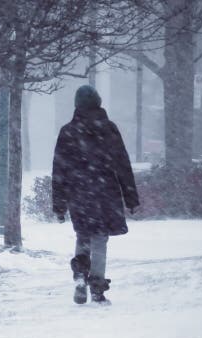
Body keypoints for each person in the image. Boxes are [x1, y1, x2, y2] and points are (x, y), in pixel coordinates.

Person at [52, 85, 140, 305]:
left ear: (77, 105)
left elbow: (59, 169)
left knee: (83, 235)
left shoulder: (68, 131)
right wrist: (131, 199)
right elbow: (122, 163)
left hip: (79, 193)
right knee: (100, 239)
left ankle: (80, 275)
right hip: (105, 192)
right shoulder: (109, 129)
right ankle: (97, 288)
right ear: (99, 103)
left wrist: (59, 204)